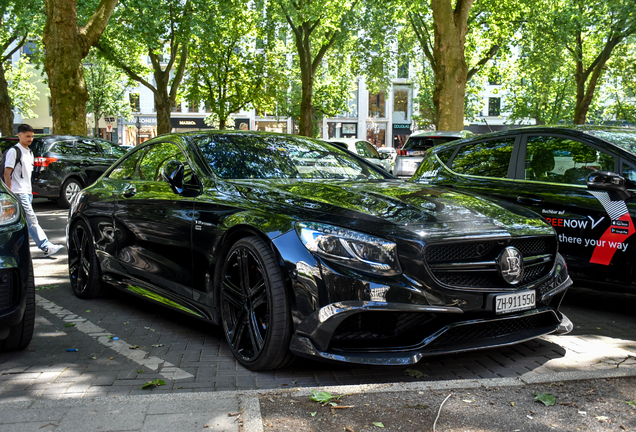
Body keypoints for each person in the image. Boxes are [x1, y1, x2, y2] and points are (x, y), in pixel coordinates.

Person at [4, 124, 63, 257]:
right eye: (27, 136)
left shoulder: (29, 152)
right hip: (18, 193)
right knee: (32, 220)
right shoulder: (14, 151)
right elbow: (7, 173)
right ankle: (46, 246)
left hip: (27, 193)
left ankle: (12, 250)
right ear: (19, 135)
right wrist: (10, 193)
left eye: (32, 136)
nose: (30, 139)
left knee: (20, 223)